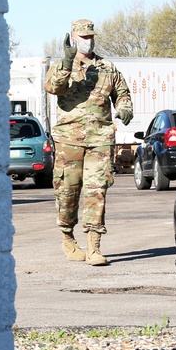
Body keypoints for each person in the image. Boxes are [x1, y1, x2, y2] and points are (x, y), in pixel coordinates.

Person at [45, 19, 133, 266]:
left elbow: (122, 94)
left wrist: (125, 108)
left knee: (97, 191)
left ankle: (94, 246)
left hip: (100, 139)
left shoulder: (107, 67)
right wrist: (66, 61)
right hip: (68, 140)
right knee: (67, 191)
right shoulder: (63, 65)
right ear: (73, 38)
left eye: (91, 36)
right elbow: (52, 87)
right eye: (83, 37)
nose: (88, 41)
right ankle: (67, 238)